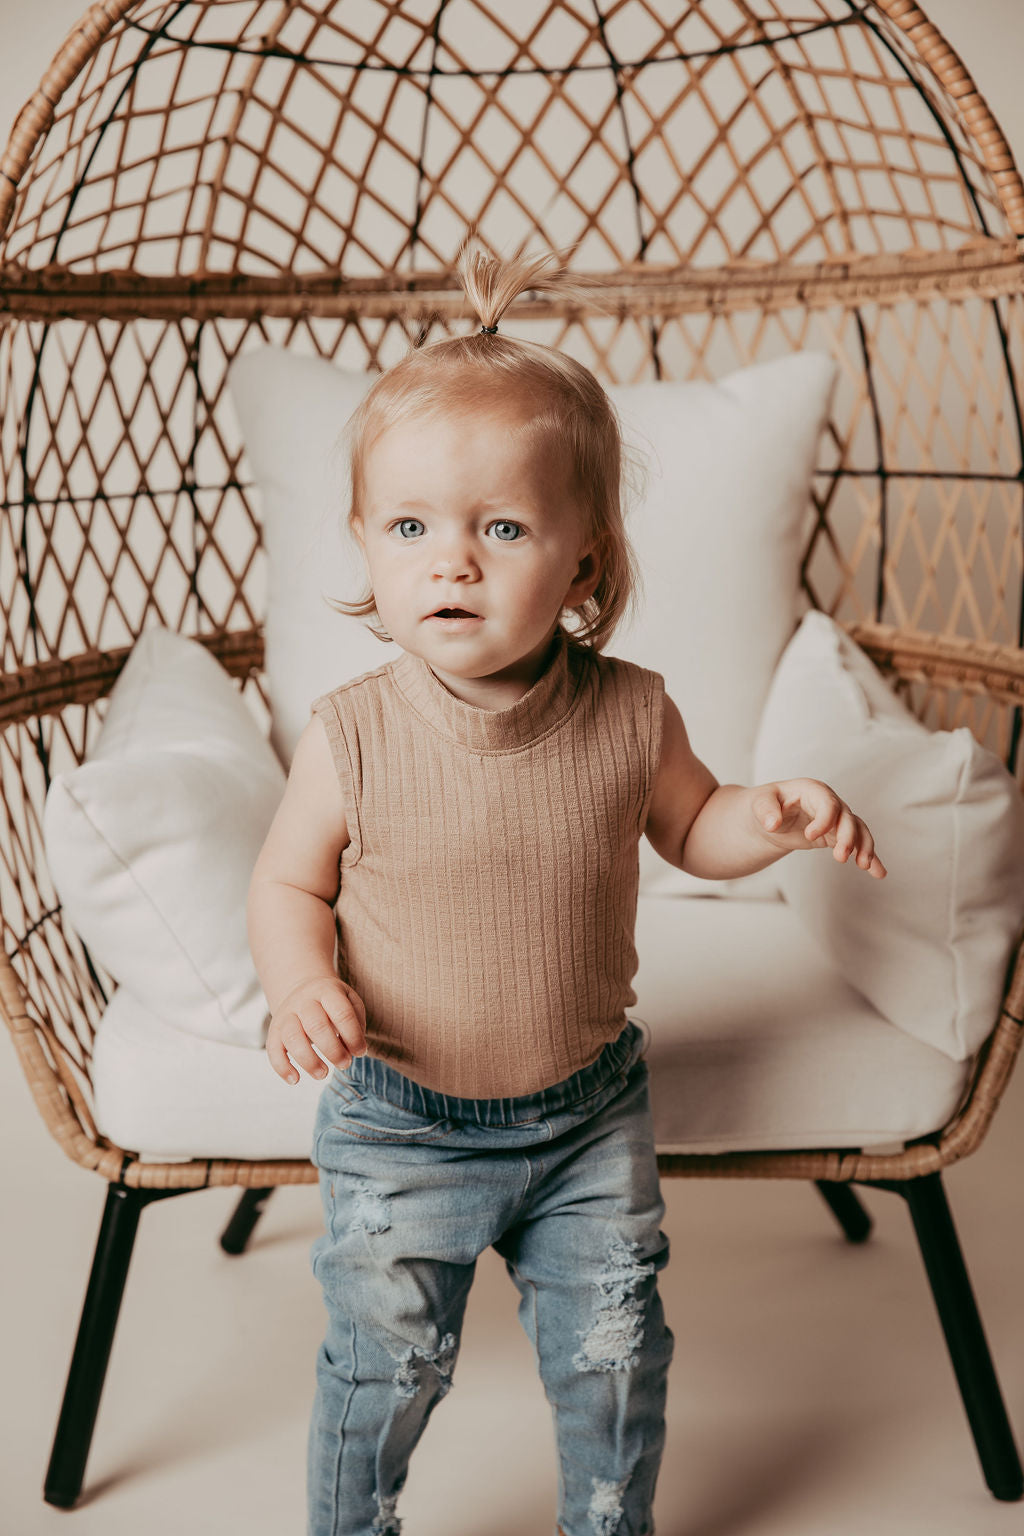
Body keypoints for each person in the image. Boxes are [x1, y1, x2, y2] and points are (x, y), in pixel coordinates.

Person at [246, 238, 887, 1536]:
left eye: (503, 529)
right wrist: (301, 979)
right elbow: (285, 884)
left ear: (585, 564)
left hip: (586, 1123)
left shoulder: (631, 715)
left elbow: (693, 826)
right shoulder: (352, 731)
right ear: (367, 546)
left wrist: (771, 815)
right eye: (413, 528)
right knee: (388, 1364)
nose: (453, 562)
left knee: (611, 1357)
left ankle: (609, 1525)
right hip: (399, 1120)